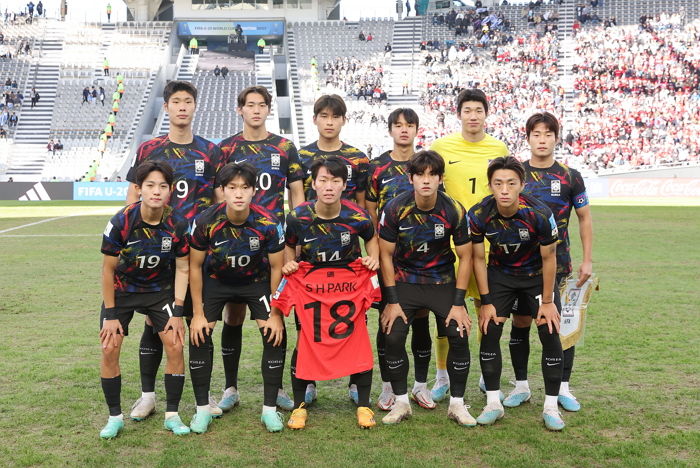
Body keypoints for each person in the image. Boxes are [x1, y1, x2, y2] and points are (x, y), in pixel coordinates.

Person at [125, 81, 223, 421]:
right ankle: (148, 396)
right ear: (166, 107)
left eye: (188, 101)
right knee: (154, 325)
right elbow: (132, 198)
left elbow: (221, 200)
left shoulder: (211, 152)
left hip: (197, 255)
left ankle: (203, 394)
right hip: (158, 255)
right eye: (176, 101)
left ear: (195, 107)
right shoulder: (149, 148)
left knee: (201, 323)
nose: (182, 107)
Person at [214, 86, 305, 413]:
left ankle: (276, 387)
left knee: (275, 313)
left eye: (261, 105)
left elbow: (297, 195)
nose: (255, 110)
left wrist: (300, 236)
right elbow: (216, 198)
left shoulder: (284, 147)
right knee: (233, 314)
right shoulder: (225, 148)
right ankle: (230, 388)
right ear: (240, 109)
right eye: (249, 105)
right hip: (231, 245)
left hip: (273, 247)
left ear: (269, 109)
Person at [273, 156, 380, 430]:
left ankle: (363, 402)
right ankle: (300, 403)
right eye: (323, 180)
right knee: (305, 341)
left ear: (344, 185)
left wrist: (372, 259)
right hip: (310, 285)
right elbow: (290, 244)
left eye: (335, 181)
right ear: (314, 184)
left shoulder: (357, 215)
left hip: (349, 285)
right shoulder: (298, 216)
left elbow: (371, 239)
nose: (329, 186)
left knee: (357, 340)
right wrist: (290, 263)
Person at [502, 112, 592, 413]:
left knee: (559, 327)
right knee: (521, 322)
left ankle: (563, 388)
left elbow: (584, 218)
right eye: (536, 134)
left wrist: (587, 260)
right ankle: (521, 385)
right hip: (520, 267)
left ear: (556, 137)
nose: (542, 139)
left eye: (548, 134)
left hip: (560, 266)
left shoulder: (570, 176)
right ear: (527, 137)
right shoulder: (517, 174)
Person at [188, 162, 287, 434]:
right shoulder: (206, 220)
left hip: (255, 282)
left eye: (244, 188)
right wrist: (197, 313)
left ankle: (269, 409)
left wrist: (276, 313)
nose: (239, 194)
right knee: (199, 332)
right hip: (217, 282)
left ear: (254, 191)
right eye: (232, 188)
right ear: (222, 191)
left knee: (274, 332)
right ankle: (203, 409)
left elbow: (278, 267)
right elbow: (194, 266)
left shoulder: (268, 222)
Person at [469, 156, 565, 431]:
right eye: (498, 183)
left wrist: (547, 302)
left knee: (549, 330)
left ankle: (550, 407)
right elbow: (477, 259)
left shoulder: (539, 213)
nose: (504, 189)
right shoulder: (478, 214)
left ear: (522, 184)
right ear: (490, 186)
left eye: (511, 183)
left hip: (536, 277)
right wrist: (486, 301)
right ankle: (492, 404)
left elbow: (550, 259)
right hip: (500, 276)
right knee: (490, 329)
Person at [379, 150, 474, 426]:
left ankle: (457, 404)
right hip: (405, 281)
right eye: (420, 174)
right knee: (393, 336)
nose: (426, 180)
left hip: (441, 282)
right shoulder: (395, 208)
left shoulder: (453, 209)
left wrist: (458, 303)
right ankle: (401, 402)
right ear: (411, 178)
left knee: (459, 333)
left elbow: (466, 256)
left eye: (432, 174)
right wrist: (392, 300)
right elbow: (385, 255)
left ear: (441, 179)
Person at [98, 161, 191, 439]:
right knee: (109, 346)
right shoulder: (121, 221)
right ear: (139, 189)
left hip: (158, 291)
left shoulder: (178, 223)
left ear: (170, 190)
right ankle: (114, 417)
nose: (156, 191)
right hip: (122, 291)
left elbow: (184, 268)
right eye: (150, 185)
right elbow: (107, 269)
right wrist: (111, 315)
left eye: (163, 186)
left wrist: (177, 311)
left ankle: (172, 415)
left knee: (175, 344)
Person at [429, 88, 508, 402]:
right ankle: (442, 375)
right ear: (458, 114)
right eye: (468, 110)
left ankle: (488, 376)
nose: (473, 116)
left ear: (486, 114)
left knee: (487, 309)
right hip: (452, 243)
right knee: (447, 312)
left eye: (478, 110)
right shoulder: (442, 146)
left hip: (489, 242)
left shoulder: (498, 147)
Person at [365, 108, 434, 412]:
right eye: (398, 125)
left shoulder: (426, 164)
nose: (404, 130)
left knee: (421, 320)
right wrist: (376, 252)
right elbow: (368, 211)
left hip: (424, 260)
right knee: (387, 321)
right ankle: (388, 386)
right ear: (390, 129)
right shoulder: (378, 166)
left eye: (409, 125)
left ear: (417, 130)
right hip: (389, 258)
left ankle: (420, 385)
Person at [298, 94, 369, 207]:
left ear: (344, 120)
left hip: (348, 224)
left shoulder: (359, 158)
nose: (329, 122)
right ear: (315, 119)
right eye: (324, 116)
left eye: (335, 117)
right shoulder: (300, 157)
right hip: (310, 223)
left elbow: (362, 203)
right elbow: (296, 197)